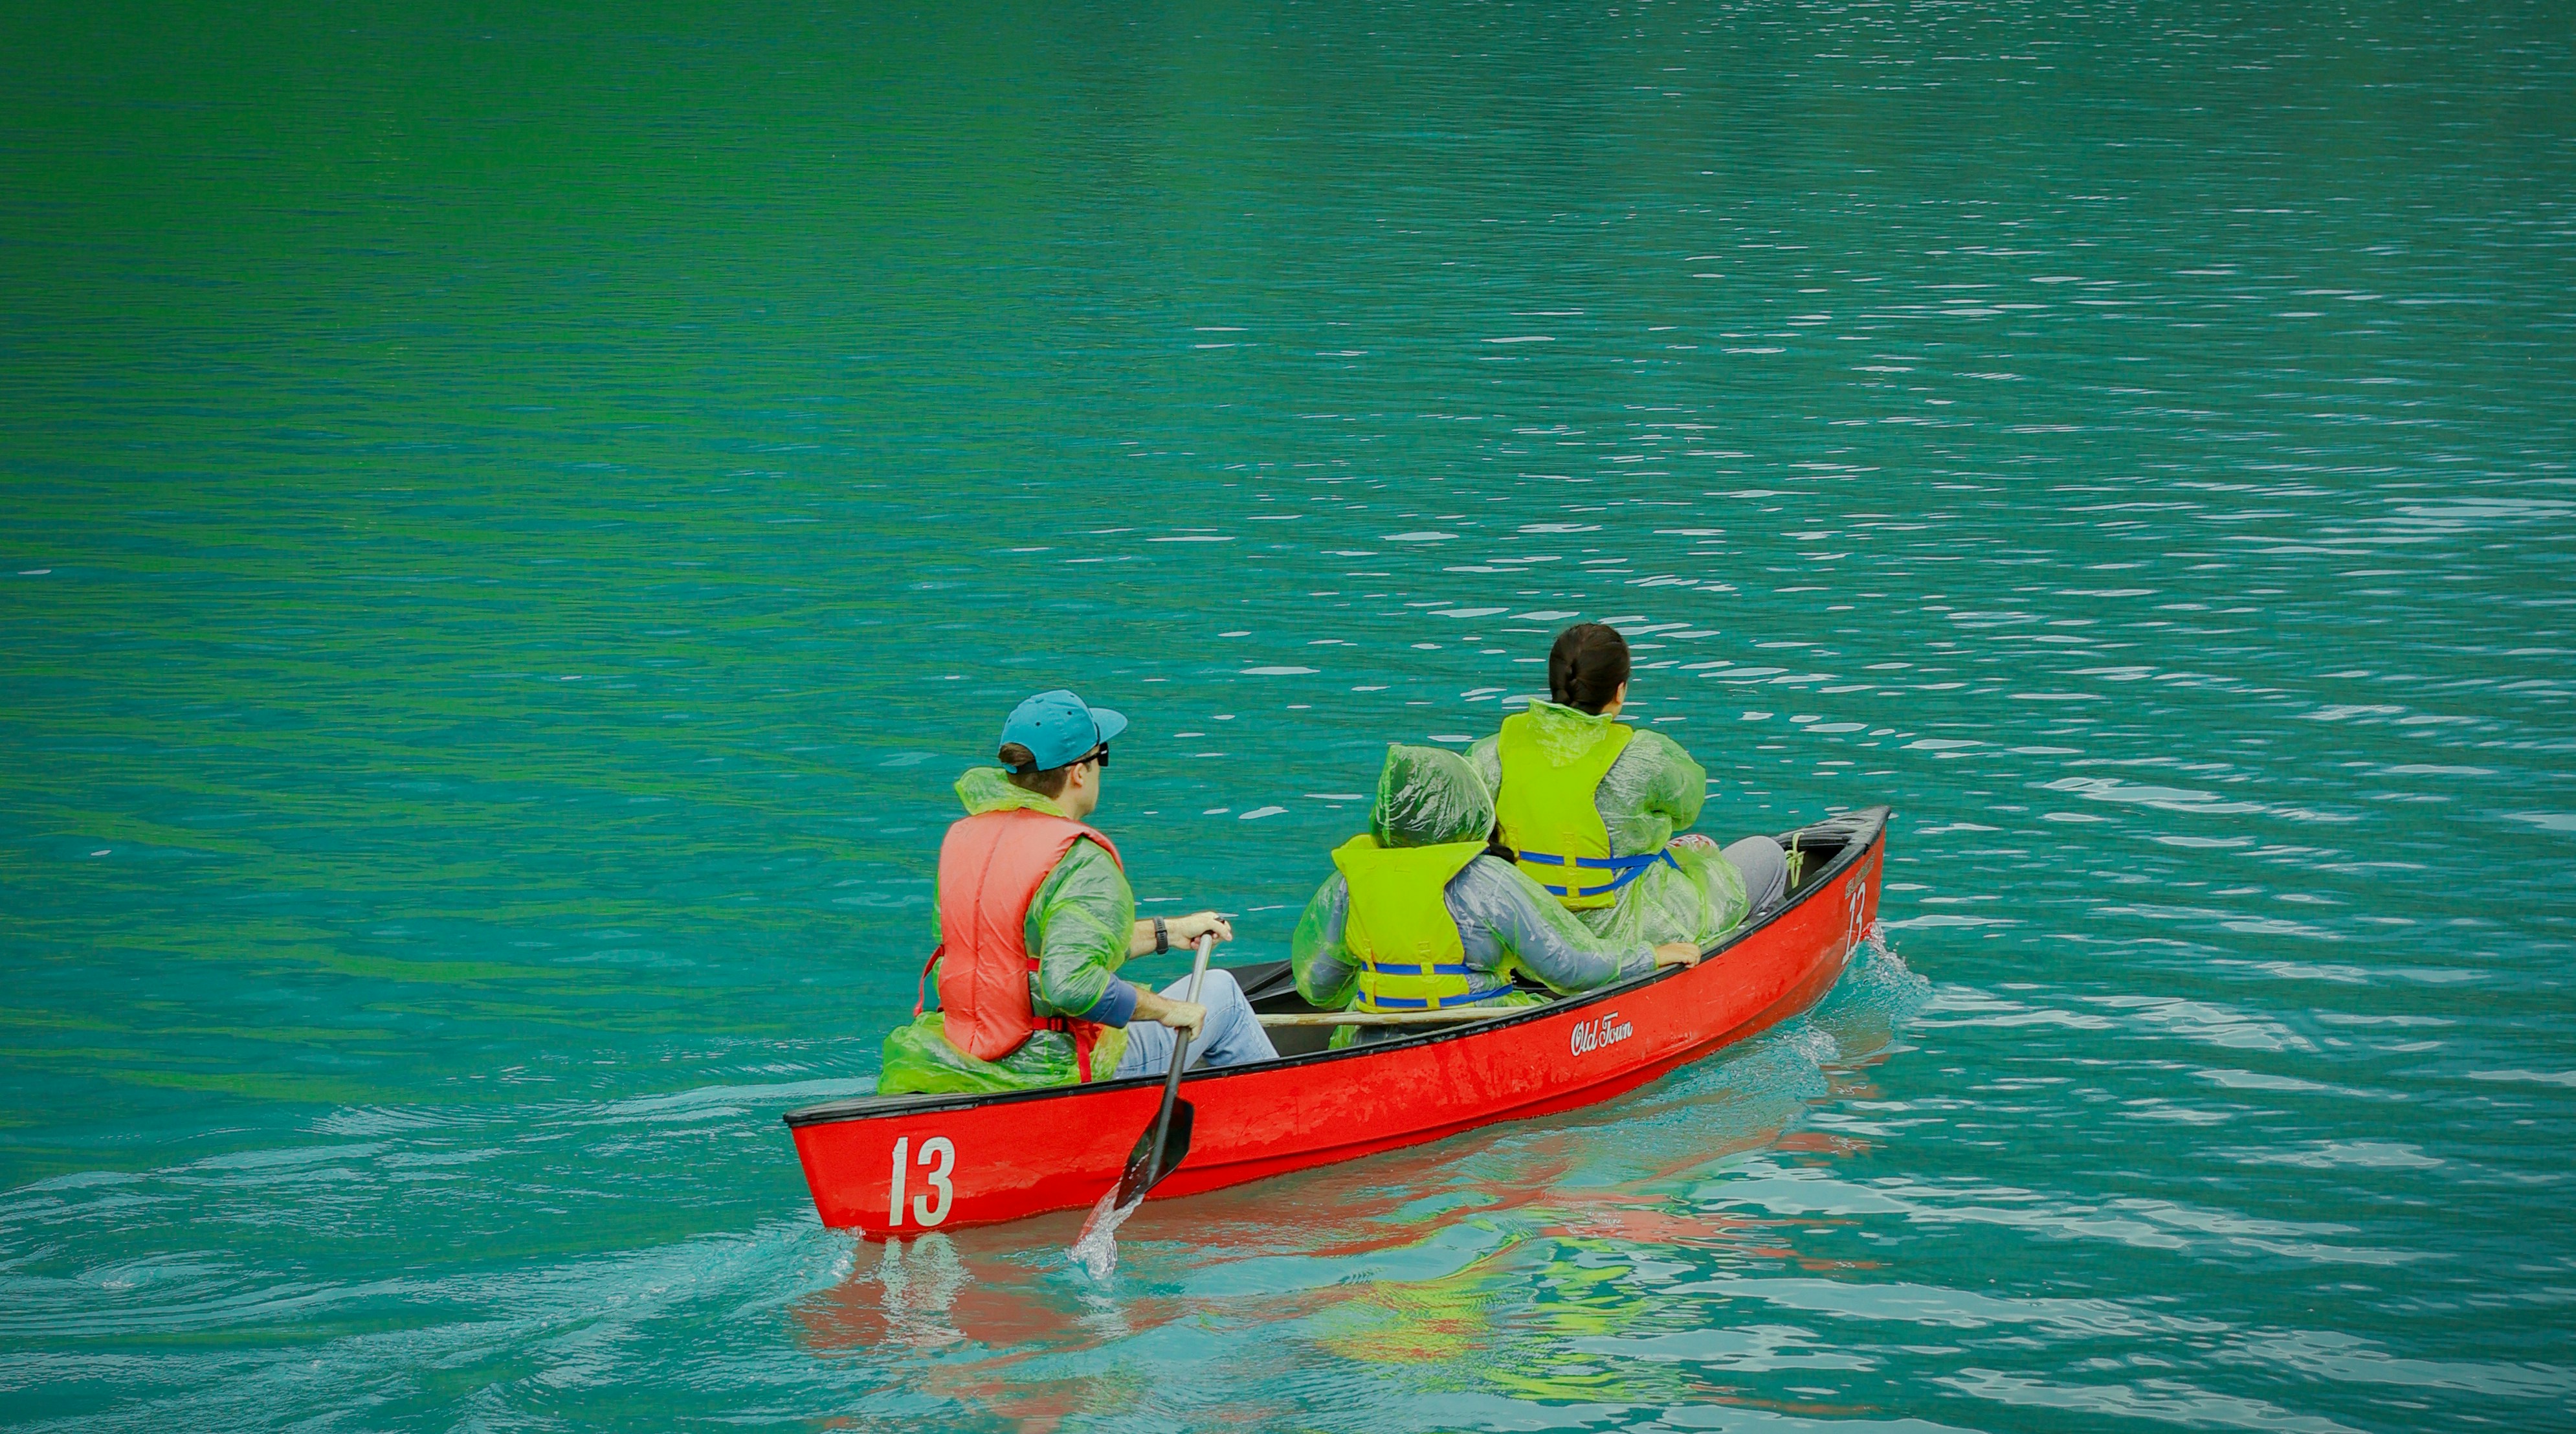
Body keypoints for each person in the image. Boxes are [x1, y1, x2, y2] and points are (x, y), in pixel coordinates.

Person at [878, 689, 1278, 1095]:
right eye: (1102, 756)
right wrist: (1168, 1011)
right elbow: (1070, 985)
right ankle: (1277, 1121)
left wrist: (1167, 932)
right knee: (1223, 995)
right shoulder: (1079, 859)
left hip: (965, 1060)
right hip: (1057, 1073)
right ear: (1079, 773)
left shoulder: (964, 840)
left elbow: (1030, 951)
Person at [1290, 743, 1701, 1045]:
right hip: (1479, 1035)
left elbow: (1319, 987)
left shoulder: (1347, 882)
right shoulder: (1489, 880)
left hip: (1374, 1042)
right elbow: (1569, 968)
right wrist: (1652, 955)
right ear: (1469, 806)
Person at [1469, 623, 1789, 951]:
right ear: (1619, 691)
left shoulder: (1490, 754)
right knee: (1768, 855)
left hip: (1527, 938)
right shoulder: (1643, 756)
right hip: (1628, 933)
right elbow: (1688, 808)